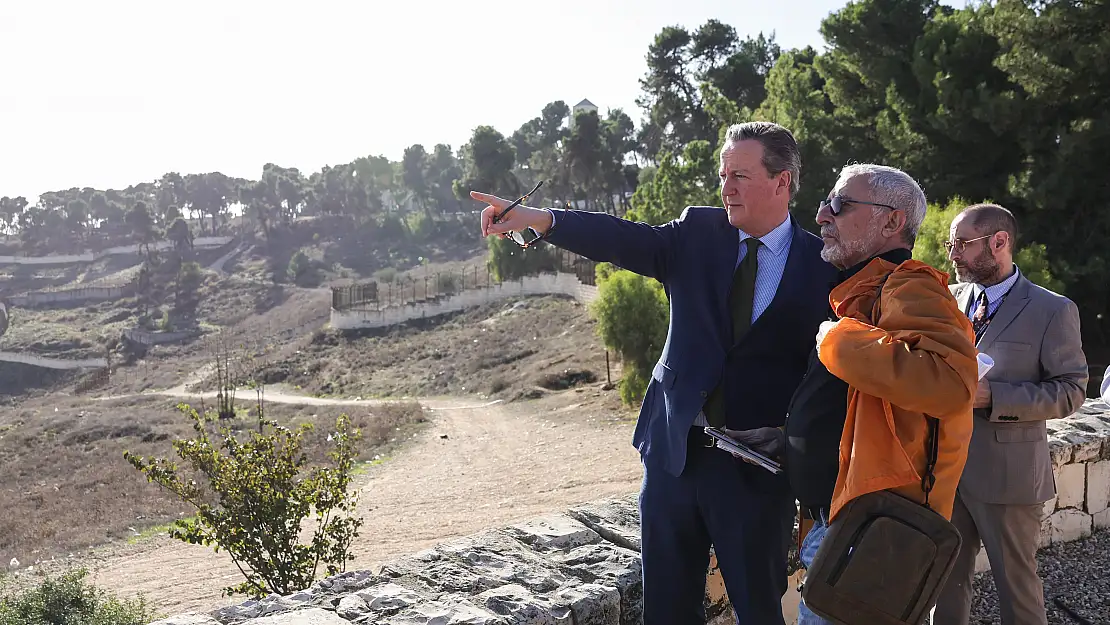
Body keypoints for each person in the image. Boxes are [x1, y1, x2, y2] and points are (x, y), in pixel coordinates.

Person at [471, 121, 837, 625]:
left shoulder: (822, 268)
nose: (726, 186)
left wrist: (794, 440)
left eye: (741, 175)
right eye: (723, 173)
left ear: (782, 182)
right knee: (666, 611)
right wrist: (543, 219)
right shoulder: (698, 233)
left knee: (760, 610)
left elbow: (828, 380)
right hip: (673, 459)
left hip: (757, 474)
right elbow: (621, 239)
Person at [752, 163, 979, 624]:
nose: (820, 215)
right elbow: (861, 409)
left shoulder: (911, 286)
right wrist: (791, 442)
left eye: (839, 204)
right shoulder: (865, 292)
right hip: (843, 525)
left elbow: (952, 385)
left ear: (892, 222)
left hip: (868, 532)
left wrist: (839, 341)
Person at [934, 203, 1088, 625]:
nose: (953, 254)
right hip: (945, 470)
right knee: (942, 583)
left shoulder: (1053, 310)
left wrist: (995, 398)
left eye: (962, 244)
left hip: (1009, 476)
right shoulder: (950, 299)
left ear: (999, 242)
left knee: (1016, 589)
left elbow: (1071, 391)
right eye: (952, 244)